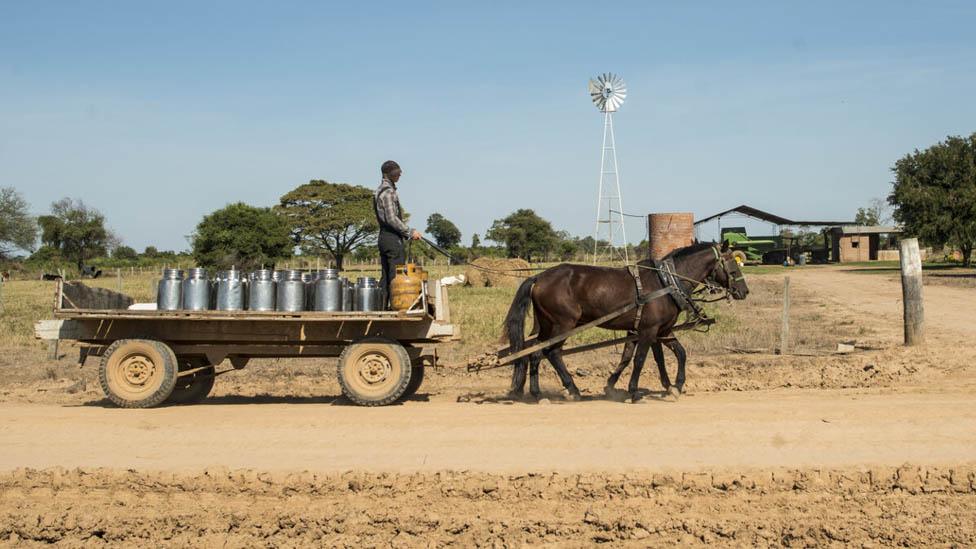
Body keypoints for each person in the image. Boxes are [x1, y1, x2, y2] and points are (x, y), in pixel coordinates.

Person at [374, 160, 421, 309]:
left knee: (387, 276)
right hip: (391, 238)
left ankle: (382, 309)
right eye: (397, 172)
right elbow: (392, 218)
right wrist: (409, 232)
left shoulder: (380, 190)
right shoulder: (388, 192)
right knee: (396, 277)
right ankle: (396, 309)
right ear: (387, 174)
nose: (400, 174)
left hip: (385, 237)